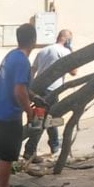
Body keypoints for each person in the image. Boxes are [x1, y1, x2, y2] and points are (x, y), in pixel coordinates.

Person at [0, 23, 37, 187]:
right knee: (8, 155)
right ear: (34, 40)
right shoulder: (23, 61)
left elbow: (17, 85)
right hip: (8, 114)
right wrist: (30, 112)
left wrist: (33, 96)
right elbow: (18, 91)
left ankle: (5, 186)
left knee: (2, 152)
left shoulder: (11, 56)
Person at [23, 29, 77, 161]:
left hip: (38, 89)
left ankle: (53, 146)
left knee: (48, 118)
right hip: (52, 90)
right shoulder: (63, 51)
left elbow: (32, 70)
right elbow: (74, 71)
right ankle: (33, 150)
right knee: (45, 120)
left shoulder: (43, 51)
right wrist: (72, 52)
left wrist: (31, 89)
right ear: (67, 39)